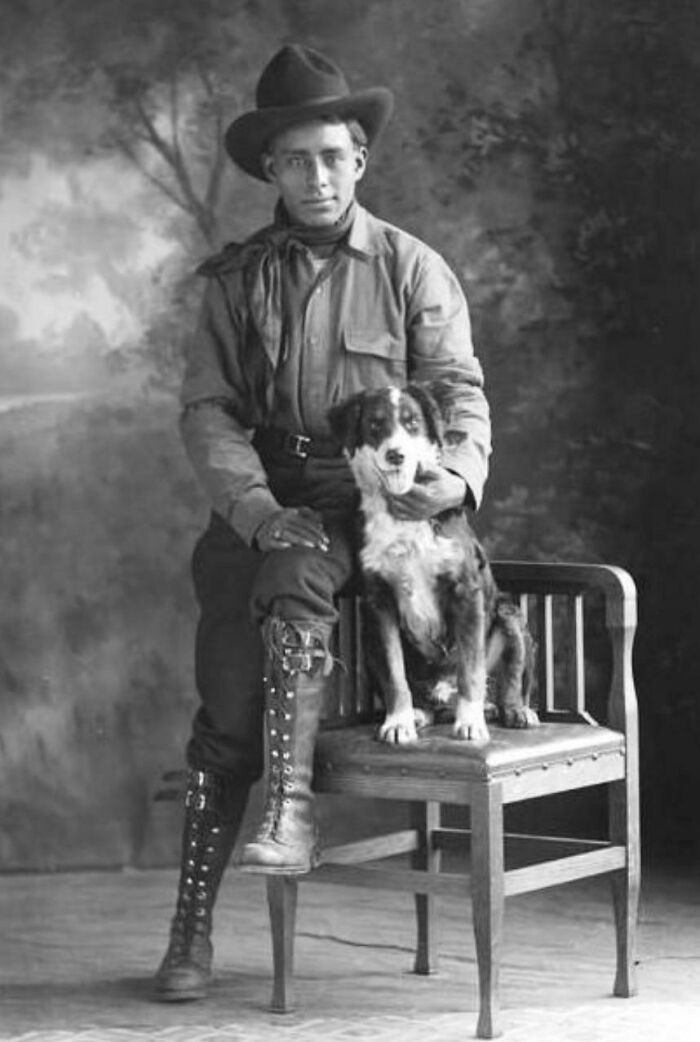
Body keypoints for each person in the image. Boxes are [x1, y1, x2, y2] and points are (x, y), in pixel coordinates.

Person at [154, 43, 492, 1001]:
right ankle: (189, 938)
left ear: (361, 160)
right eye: (295, 159)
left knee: (305, 577)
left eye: (334, 156)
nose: (316, 176)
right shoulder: (233, 282)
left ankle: (292, 812)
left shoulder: (410, 268)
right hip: (265, 498)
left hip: (377, 500)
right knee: (223, 717)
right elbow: (206, 411)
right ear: (270, 168)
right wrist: (257, 510)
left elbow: (459, 392)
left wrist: (453, 481)